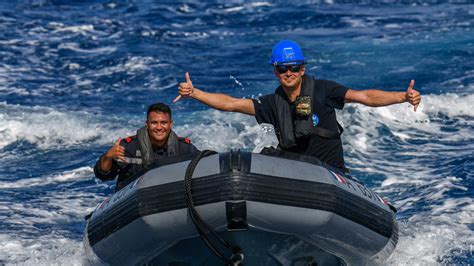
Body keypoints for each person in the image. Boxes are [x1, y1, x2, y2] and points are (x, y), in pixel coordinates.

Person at [174, 40, 421, 171]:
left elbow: (365, 97)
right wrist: (194, 93)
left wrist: (402, 97)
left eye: (294, 68)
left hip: (329, 174)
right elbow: (230, 104)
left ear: (303, 69)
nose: (289, 73)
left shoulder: (324, 90)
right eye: (283, 68)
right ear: (275, 70)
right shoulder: (272, 103)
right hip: (295, 175)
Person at [94, 102, 199, 190]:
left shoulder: (185, 148)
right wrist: (107, 157)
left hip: (172, 197)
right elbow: (104, 176)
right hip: (134, 202)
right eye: (154, 123)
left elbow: (202, 168)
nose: (159, 127)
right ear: (147, 124)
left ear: (170, 124)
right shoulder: (129, 147)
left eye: (163, 122)